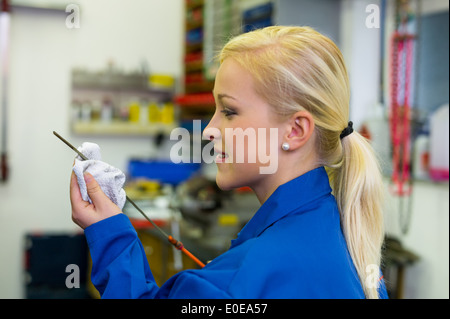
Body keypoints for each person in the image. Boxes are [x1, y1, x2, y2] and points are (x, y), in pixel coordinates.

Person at [70, 26, 388, 299]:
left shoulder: (238, 282)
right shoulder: (355, 243)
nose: (209, 130)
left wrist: (108, 234)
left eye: (229, 112)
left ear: (295, 130)